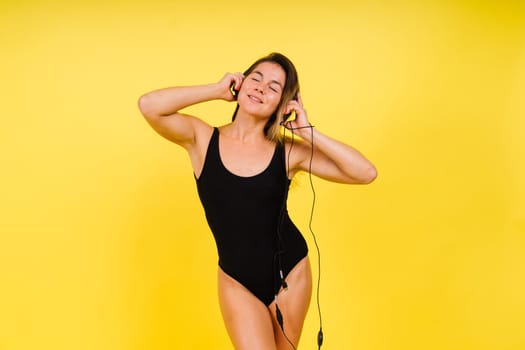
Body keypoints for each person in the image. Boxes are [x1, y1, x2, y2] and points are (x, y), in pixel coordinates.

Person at [138, 52, 377, 350]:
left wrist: (307, 131)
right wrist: (215, 90)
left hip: (291, 272)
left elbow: (365, 173)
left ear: (283, 105)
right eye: (256, 78)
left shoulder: (288, 151)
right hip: (237, 280)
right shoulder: (202, 139)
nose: (262, 88)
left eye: (274, 87)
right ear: (240, 84)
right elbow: (148, 106)